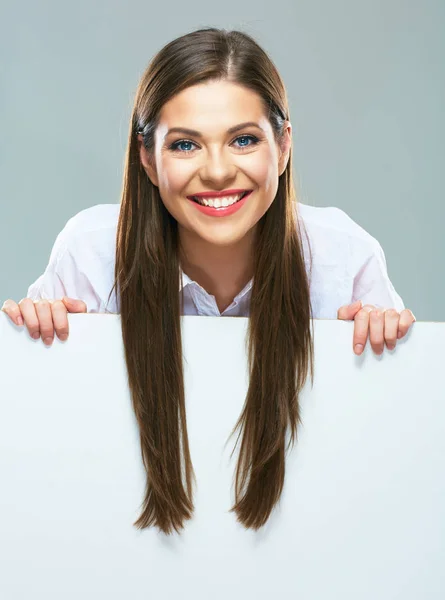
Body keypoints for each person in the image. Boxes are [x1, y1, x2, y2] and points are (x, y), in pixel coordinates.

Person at [1, 27, 415, 534]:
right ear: (148, 159)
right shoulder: (90, 253)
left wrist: (385, 345)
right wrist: (41, 341)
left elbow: (388, 467)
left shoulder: (344, 256)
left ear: (283, 147)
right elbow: (43, 457)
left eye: (244, 140)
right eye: (185, 145)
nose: (217, 171)